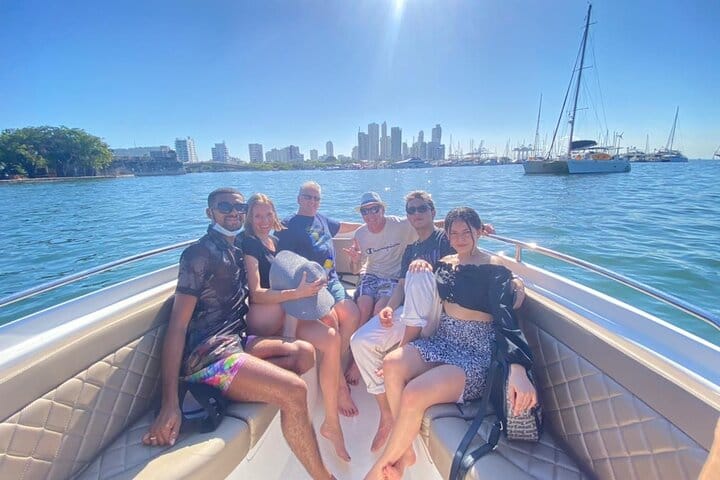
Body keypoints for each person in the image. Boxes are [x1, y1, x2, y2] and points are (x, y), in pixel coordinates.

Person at [142, 187, 335, 480]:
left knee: (305, 353)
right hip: (209, 356)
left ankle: (239, 385)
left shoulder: (238, 247)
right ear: (210, 213)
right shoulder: (198, 254)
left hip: (237, 342)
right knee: (294, 390)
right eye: (224, 207)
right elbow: (178, 326)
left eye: (239, 207)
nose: (233, 212)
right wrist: (170, 403)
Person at [364, 207, 537, 480]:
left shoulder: (494, 268)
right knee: (391, 363)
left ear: (478, 232)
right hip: (443, 339)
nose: (459, 238)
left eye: (466, 232)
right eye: (453, 233)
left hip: (475, 352)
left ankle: (379, 469)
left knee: (414, 393)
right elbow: (428, 291)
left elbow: (507, 319)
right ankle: (406, 450)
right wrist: (422, 266)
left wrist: (518, 368)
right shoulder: (445, 262)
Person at [241, 192, 350, 460]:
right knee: (319, 315)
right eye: (257, 215)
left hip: (285, 312)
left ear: (275, 215)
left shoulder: (276, 242)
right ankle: (291, 341)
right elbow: (256, 293)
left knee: (331, 337)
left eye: (268, 214)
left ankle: (331, 423)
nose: (264, 220)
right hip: (264, 316)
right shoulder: (249, 244)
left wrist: (313, 285)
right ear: (249, 218)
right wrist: (297, 294)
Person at [276, 180, 361, 416]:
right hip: (311, 287)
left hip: (332, 281)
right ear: (298, 199)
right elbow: (282, 262)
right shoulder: (287, 226)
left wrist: (373, 223)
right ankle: (339, 385)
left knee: (353, 315)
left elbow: (344, 226)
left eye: (316, 198)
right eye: (308, 197)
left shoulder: (322, 220)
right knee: (331, 321)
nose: (312, 201)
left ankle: (333, 365)